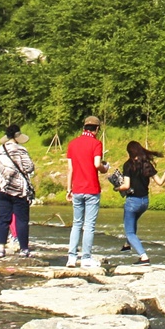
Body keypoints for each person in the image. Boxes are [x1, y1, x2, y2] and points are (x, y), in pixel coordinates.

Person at [65, 115, 109, 269]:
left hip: (76, 189)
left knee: (76, 224)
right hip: (91, 188)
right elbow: (97, 164)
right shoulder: (96, 143)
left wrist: (68, 188)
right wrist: (106, 168)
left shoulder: (72, 144)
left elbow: (70, 168)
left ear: (84, 127)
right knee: (89, 225)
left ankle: (71, 258)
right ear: (96, 129)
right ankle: (86, 258)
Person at [115, 141, 165, 264]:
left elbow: (126, 185)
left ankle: (143, 257)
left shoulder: (128, 165)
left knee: (129, 231)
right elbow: (160, 182)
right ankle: (127, 244)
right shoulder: (147, 164)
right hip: (144, 202)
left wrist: (117, 188)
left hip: (132, 202)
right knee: (132, 221)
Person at [0, 124, 35, 259]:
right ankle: (24, 249)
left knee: (3, 219)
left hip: (2, 189)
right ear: (17, 136)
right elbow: (29, 168)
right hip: (19, 190)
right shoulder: (21, 150)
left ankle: (0, 249)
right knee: (21, 220)